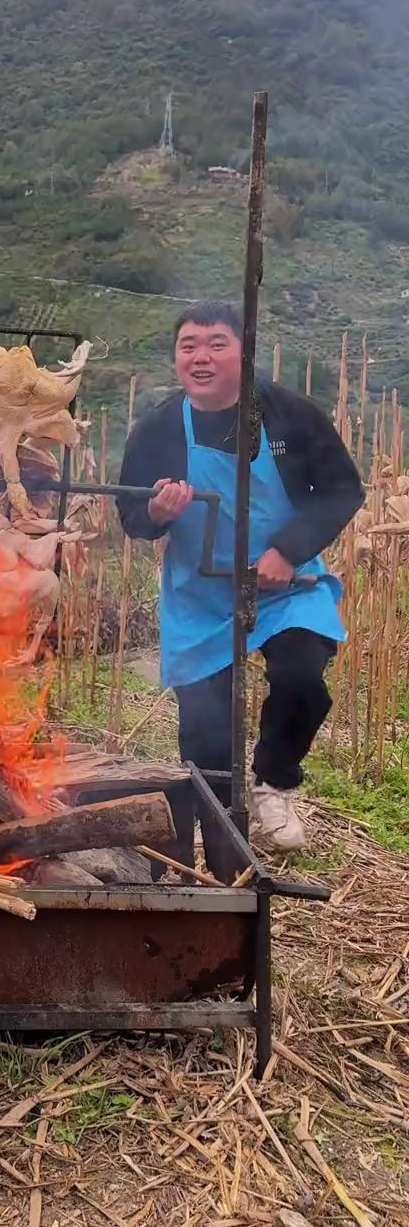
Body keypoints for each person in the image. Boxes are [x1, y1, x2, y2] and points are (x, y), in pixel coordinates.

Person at [118, 301, 363, 851]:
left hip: (287, 586)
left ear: (243, 351)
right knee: (206, 729)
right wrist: (157, 513)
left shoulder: (288, 415)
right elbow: (131, 518)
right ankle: (215, 837)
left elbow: (344, 491)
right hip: (201, 597)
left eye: (216, 343)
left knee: (302, 676)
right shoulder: (159, 428)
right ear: (177, 357)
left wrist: (287, 551)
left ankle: (274, 784)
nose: (200, 356)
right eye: (189, 346)